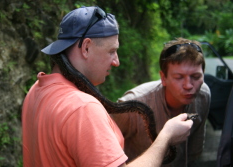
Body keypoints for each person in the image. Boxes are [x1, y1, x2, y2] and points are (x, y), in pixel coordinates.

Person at [22, 6, 194, 167]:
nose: (116, 62)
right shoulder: (83, 108)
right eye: (111, 51)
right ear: (86, 47)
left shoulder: (36, 90)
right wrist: (165, 137)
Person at [111, 38, 211, 167]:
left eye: (196, 77)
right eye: (179, 77)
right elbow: (104, 153)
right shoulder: (133, 105)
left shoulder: (203, 95)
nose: (188, 85)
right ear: (163, 78)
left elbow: (195, 150)